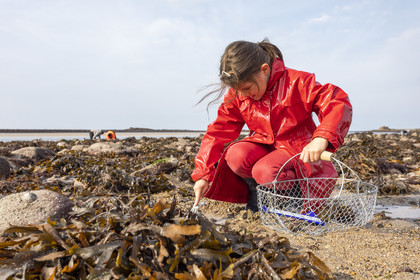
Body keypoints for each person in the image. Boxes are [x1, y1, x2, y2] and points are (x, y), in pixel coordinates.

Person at [191, 38, 352, 212]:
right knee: (235, 156)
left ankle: (296, 199)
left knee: (266, 170)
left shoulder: (296, 82)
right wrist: (203, 175)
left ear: (264, 70)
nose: (244, 94)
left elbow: (336, 101)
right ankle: (258, 194)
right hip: (264, 143)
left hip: (299, 147)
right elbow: (218, 131)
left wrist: (321, 139)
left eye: (247, 88)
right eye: (239, 91)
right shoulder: (237, 94)